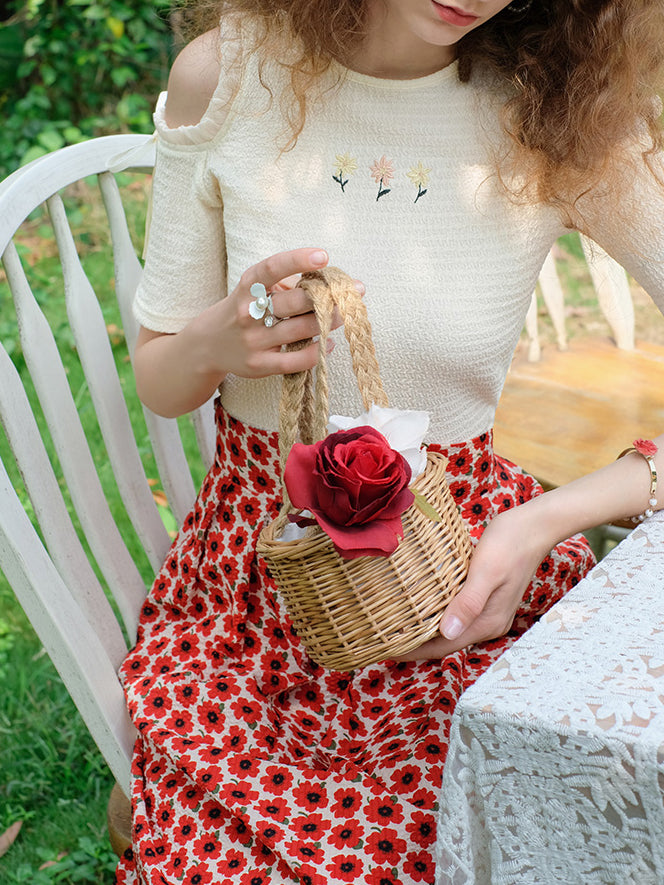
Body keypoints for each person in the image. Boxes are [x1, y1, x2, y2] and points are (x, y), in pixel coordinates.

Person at [115, 1, 664, 883]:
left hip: (464, 588)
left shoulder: (555, 113)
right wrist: (219, 342)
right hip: (263, 601)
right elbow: (159, 377)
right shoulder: (229, 77)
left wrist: (544, 522)